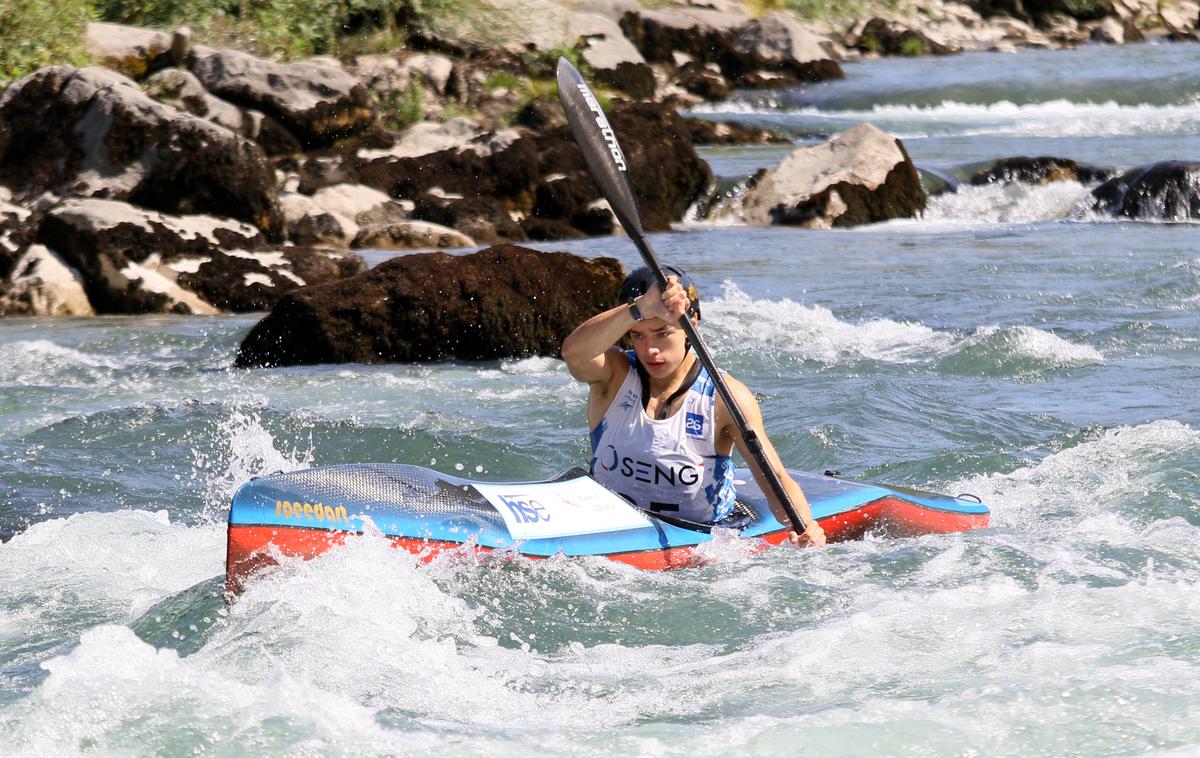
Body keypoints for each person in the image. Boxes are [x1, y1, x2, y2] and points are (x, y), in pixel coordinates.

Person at [561, 265, 826, 546]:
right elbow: (573, 354)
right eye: (638, 335)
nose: (650, 349)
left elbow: (775, 478)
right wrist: (639, 308)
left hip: (700, 538)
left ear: (692, 323)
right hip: (611, 528)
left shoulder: (726, 397)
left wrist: (807, 526)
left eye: (662, 333)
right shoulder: (613, 374)